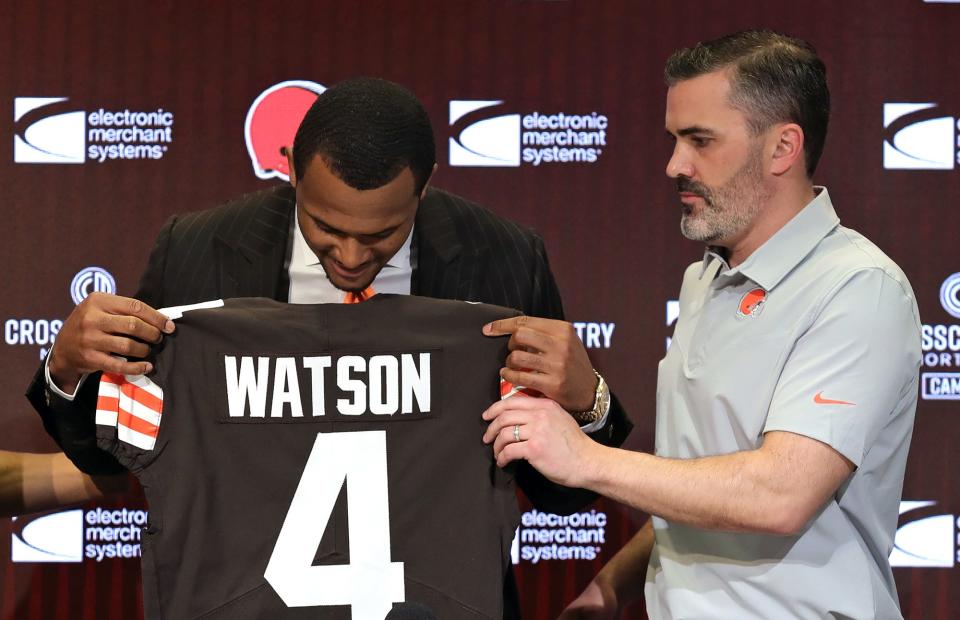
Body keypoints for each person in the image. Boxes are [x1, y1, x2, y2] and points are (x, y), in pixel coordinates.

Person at [26, 77, 632, 617]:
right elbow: (111, 457)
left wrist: (589, 403)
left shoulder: (502, 258)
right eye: (325, 228)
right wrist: (66, 369)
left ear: (424, 189)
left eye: (380, 236)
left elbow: (560, 493)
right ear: (291, 172)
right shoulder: (198, 250)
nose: (349, 256)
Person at [483, 30, 921, 619]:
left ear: (782, 147)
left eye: (700, 141)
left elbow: (779, 495)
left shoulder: (858, 288)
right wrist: (612, 586)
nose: (674, 165)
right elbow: (704, 486)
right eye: (674, 139)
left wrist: (586, 459)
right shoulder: (706, 279)